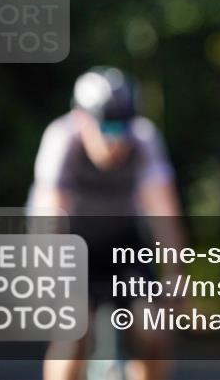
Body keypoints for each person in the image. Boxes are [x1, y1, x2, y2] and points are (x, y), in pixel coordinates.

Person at [28, 67, 185, 380]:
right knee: (72, 334)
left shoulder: (144, 139)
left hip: (123, 246)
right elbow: (49, 215)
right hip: (71, 246)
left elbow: (165, 216)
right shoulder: (62, 139)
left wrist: (175, 277)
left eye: (122, 128)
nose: (115, 141)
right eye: (106, 128)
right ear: (81, 119)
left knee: (153, 332)